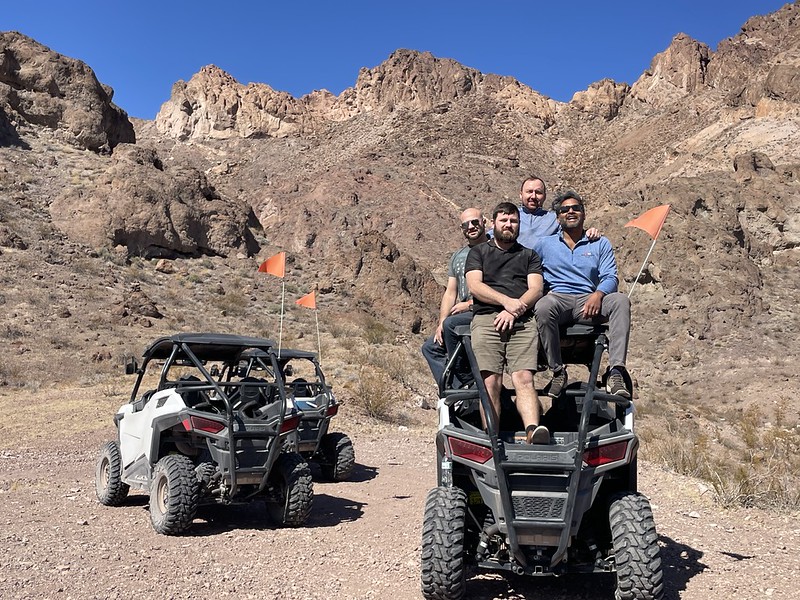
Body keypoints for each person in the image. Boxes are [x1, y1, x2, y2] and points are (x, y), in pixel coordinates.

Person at [533, 191, 632, 398]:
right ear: (558, 217)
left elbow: (610, 276)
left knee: (620, 301)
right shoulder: (544, 244)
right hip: (558, 300)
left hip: (590, 301)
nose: (571, 212)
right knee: (543, 307)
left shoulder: (600, 243)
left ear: (584, 214)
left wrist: (598, 293)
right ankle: (557, 371)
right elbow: (529, 271)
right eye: (565, 209)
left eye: (576, 208)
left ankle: (616, 372)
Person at [465, 202, 549, 444]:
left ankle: (533, 430)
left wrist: (514, 311)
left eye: (513, 221)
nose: (509, 225)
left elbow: (536, 289)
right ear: (493, 224)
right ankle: (491, 435)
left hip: (521, 321)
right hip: (486, 320)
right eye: (504, 220)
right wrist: (506, 302)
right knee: (491, 380)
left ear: (519, 224)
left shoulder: (529, 256)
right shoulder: (478, 253)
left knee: (523, 377)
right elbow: (475, 286)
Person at [421, 208, 488, 387]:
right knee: (431, 347)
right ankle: (461, 391)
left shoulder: (494, 249)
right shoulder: (458, 256)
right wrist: (441, 322)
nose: (471, 227)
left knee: (452, 325)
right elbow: (451, 292)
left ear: (484, 222)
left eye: (475, 222)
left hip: (485, 310)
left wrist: (470, 304)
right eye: (465, 225)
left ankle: (469, 382)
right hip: (463, 315)